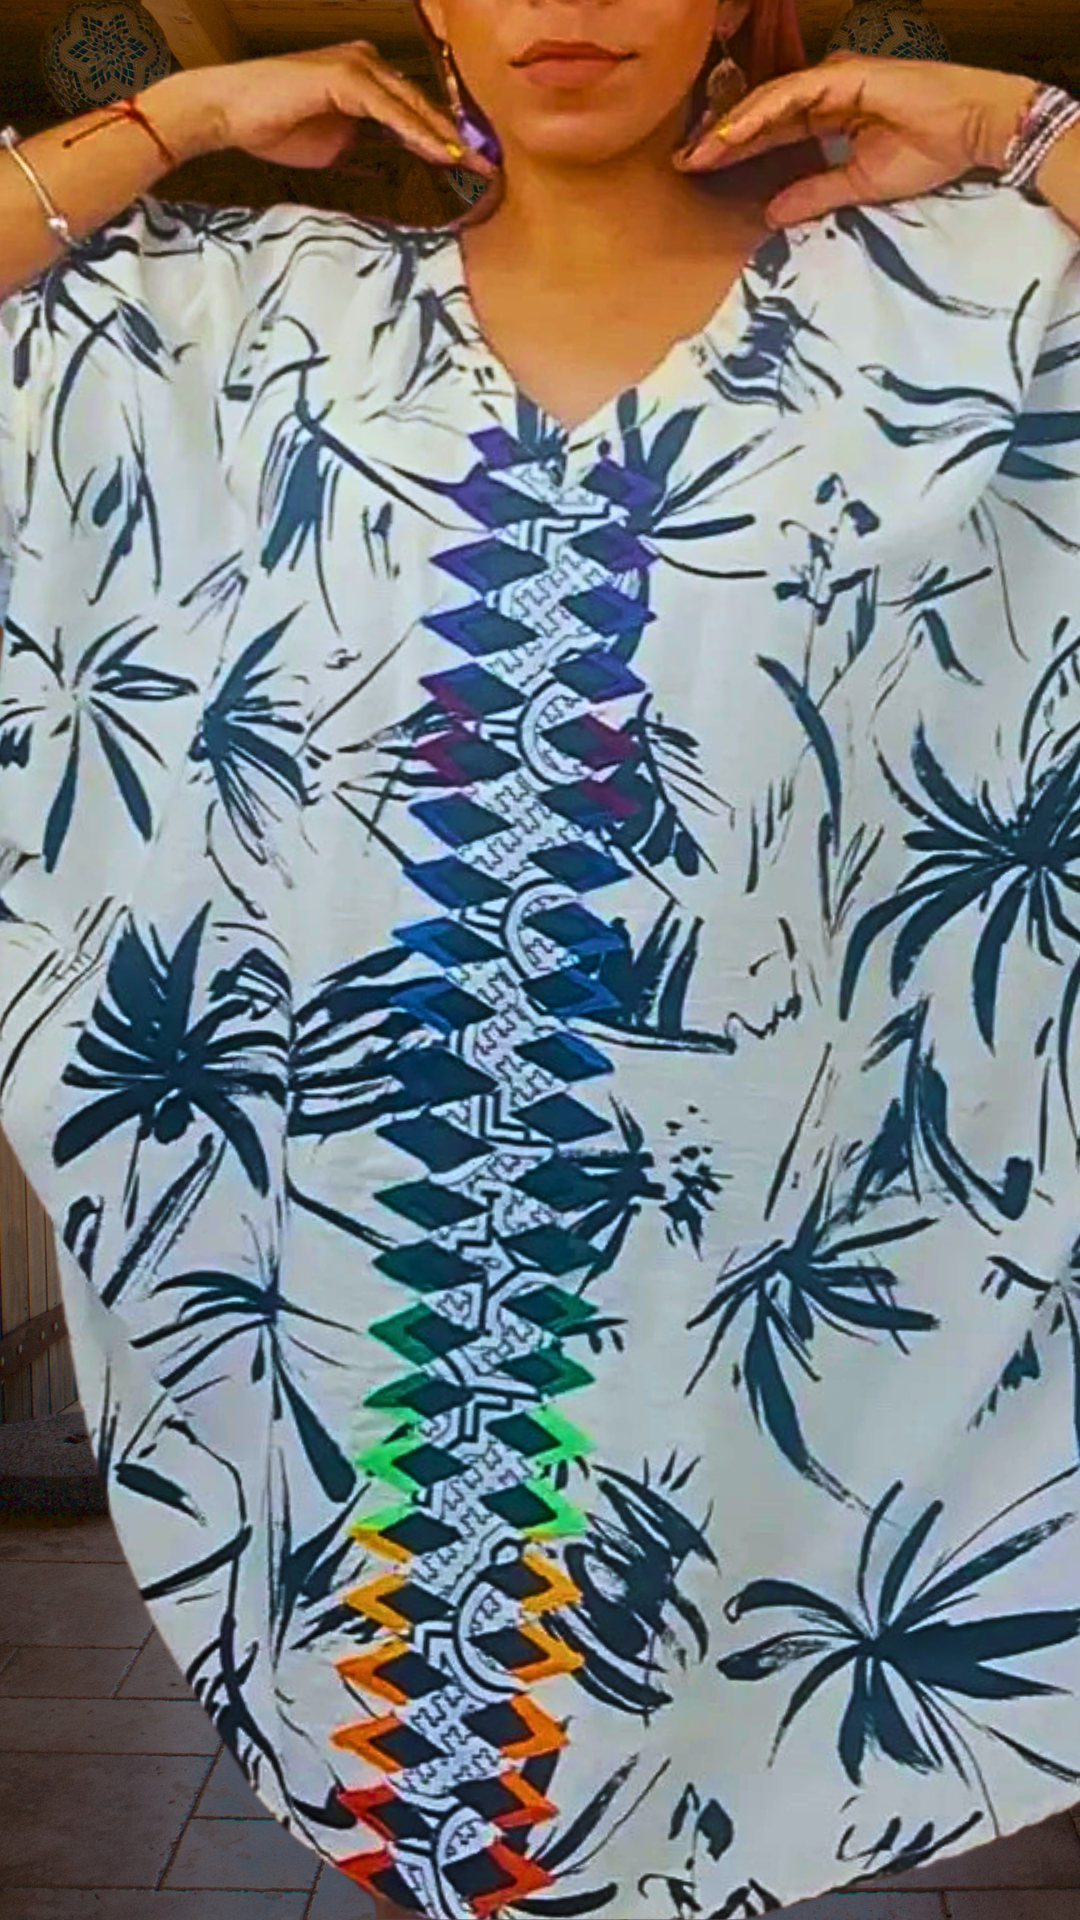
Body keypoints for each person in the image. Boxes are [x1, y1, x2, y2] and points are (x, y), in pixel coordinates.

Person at [2, 3, 1080, 1914]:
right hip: (362, 1272)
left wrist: (1021, 124)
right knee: (438, 1780)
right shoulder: (247, 320)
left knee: (713, 1760)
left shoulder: (956, 308)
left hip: (782, 1288)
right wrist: (175, 119)